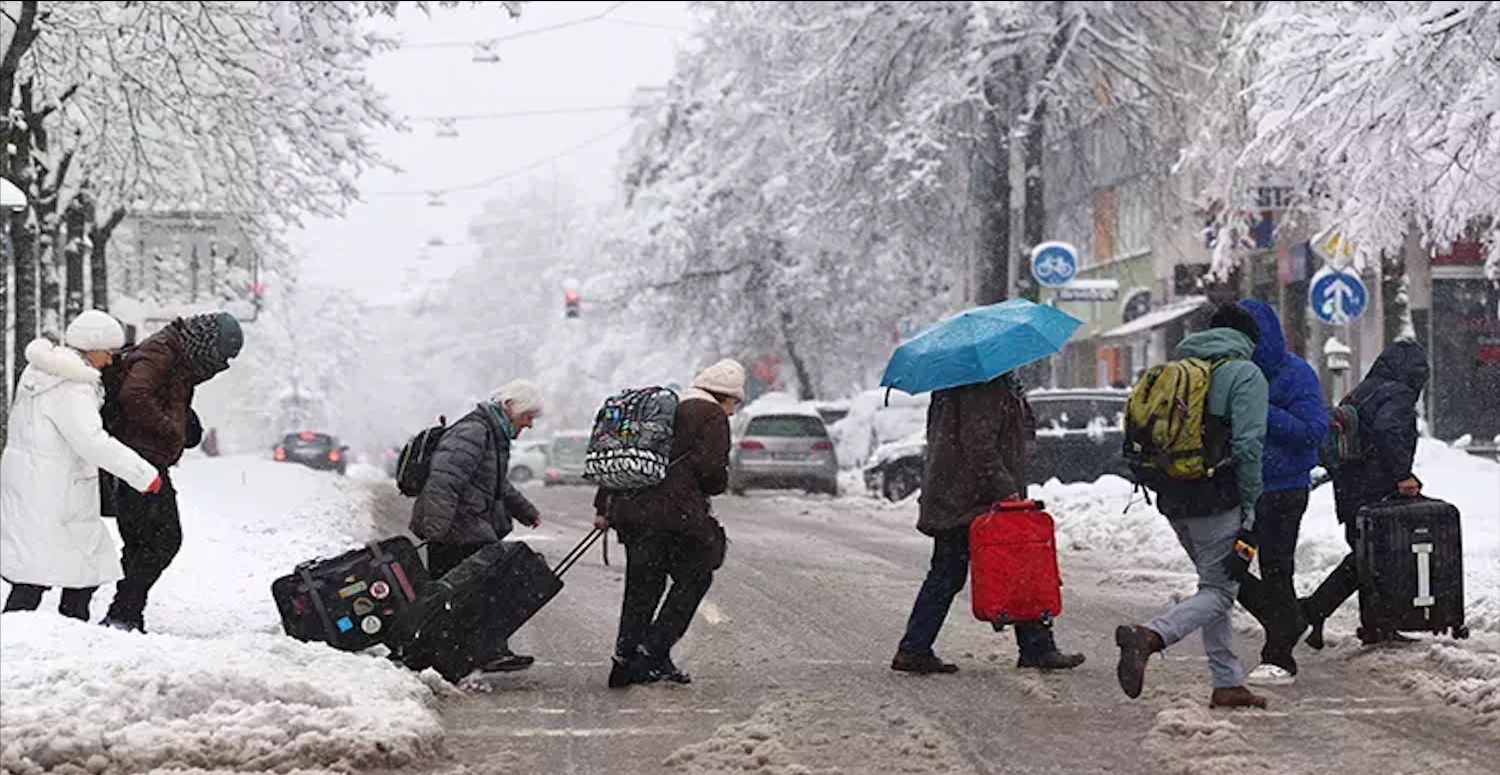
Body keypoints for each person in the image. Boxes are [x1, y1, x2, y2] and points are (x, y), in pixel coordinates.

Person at [1115, 301, 1270, 709]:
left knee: (1213, 587)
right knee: (1220, 592)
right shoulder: (1244, 374)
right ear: (1248, 340)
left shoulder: (1177, 369)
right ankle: (1150, 635)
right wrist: (1253, 503)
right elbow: (1249, 446)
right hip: (1218, 497)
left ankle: (1226, 681)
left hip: (1174, 494)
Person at [891, 371, 1086, 675]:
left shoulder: (957, 382)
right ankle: (915, 648)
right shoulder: (982, 384)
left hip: (958, 493)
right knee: (972, 570)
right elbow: (978, 443)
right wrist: (1005, 487)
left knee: (1011, 565)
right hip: (970, 499)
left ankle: (1035, 645)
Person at [1, 311, 161, 621]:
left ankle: (54, 631)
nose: (112, 359)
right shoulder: (73, 386)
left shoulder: (40, 372)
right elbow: (92, 442)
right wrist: (142, 474)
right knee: (62, 570)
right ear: (91, 347)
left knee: (44, 569)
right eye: (109, 352)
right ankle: (55, 633)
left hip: (32, 483)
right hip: (55, 489)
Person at [595, 359, 743, 688]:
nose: (733, 411)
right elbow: (711, 474)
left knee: (641, 588)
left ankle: (624, 661)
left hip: (633, 513)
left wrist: (603, 504)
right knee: (695, 578)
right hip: (677, 516)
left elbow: (626, 453)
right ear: (724, 397)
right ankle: (653, 652)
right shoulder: (711, 415)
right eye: (734, 403)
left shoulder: (662, 408)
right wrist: (714, 481)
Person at [102, 312, 243, 632]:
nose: (223, 366)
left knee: (141, 542)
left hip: (142, 460)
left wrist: (183, 420)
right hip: (137, 462)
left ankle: (126, 614)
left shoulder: (177, 355)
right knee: (165, 539)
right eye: (223, 356)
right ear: (207, 345)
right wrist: (170, 430)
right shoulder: (161, 352)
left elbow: (157, 393)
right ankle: (123, 612)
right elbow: (134, 394)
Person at [409, 379, 545, 672]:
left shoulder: (491, 434)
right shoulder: (474, 432)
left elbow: (495, 482)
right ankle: (453, 656)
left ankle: (483, 650)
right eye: (528, 416)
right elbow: (443, 482)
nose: (530, 424)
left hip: (468, 526)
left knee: (480, 593)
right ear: (510, 407)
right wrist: (438, 532)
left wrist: (525, 510)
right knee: (474, 593)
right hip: (456, 529)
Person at [1302, 339, 1429, 648]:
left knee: (1368, 558)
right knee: (1373, 558)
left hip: (1350, 486)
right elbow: (1387, 430)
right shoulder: (1396, 393)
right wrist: (1402, 474)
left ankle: (1374, 626)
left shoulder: (1362, 391)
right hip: (1374, 488)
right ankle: (1313, 609)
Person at [1235, 300, 1327, 686]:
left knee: (1276, 570)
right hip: (1243, 493)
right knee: (1228, 571)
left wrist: (1261, 410)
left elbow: (1312, 430)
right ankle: (1289, 620)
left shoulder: (1296, 374)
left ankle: (1279, 656)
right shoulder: (1232, 374)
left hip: (1284, 490)